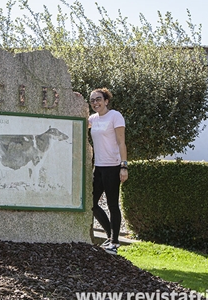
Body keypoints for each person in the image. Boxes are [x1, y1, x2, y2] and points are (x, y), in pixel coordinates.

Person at [88, 88, 128, 255]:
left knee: (112, 204)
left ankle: (115, 242)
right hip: (99, 166)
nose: (96, 102)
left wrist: (124, 166)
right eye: (92, 100)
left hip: (113, 166)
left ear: (106, 100)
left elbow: (121, 142)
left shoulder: (115, 116)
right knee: (92, 204)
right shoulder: (92, 119)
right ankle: (111, 236)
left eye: (98, 99)